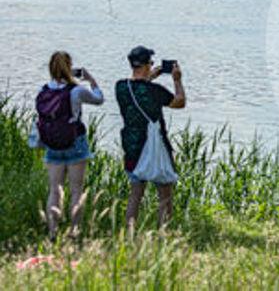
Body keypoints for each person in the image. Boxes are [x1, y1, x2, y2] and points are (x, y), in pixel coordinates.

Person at [114, 46, 185, 228]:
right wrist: (177, 80)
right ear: (146, 65)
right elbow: (179, 102)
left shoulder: (120, 87)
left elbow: (139, 88)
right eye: (151, 63)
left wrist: (150, 76)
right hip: (155, 148)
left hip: (132, 147)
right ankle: (163, 235)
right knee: (165, 195)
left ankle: (128, 236)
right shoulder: (155, 91)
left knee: (136, 194)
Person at [38, 51, 104, 240]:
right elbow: (99, 99)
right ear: (69, 68)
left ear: (51, 68)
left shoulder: (44, 90)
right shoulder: (76, 90)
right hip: (75, 143)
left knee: (54, 190)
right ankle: (74, 233)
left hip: (52, 144)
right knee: (76, 190)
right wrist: (91, 80)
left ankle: (53, 233)